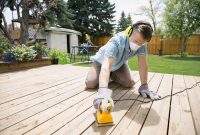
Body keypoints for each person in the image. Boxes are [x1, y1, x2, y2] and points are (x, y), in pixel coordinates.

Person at [85, 20, 161, 112]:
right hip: (101, 63)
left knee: (130, 83)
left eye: (141, 43)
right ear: (129, 31)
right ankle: (105, 76)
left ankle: (109, 75)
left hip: (119, 65)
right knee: (90, 83)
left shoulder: (142, 45)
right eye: (135, 41)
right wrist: (103, 91)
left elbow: (143, 65)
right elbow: (106, 66)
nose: (138, 45)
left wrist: (144, 85)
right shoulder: (116, 42)